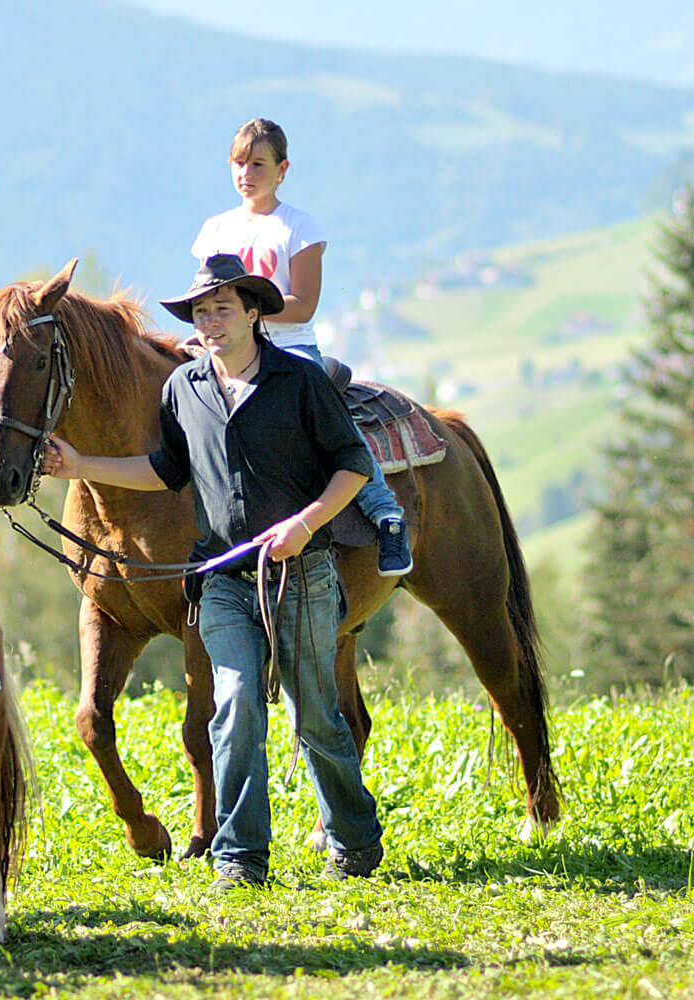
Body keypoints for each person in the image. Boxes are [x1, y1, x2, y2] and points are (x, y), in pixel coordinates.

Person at [41, 253, 384, 890]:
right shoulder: (185, 388)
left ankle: (355, 837)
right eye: (202, 312)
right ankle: (241, 856)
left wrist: (305, 523)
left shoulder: (300, 383)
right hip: (222, 575)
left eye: (223, 308)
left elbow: (353, 466)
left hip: (299, 571)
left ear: (255, 314)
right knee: (232, 709)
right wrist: (82, 463)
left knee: (315, 714)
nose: (211, 321)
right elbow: (164, 471)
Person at [190, 117, 412, 577]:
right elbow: (202, 295)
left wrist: (247, 315)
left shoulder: (297, 227)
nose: (246, 172)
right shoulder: (214, 229)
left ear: (282, 168)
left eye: (258, 163)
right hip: (223, 345)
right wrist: (213, 324)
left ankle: (386, 514)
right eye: (238, 163)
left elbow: (304, 305)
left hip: (288, 347)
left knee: (329, 418)